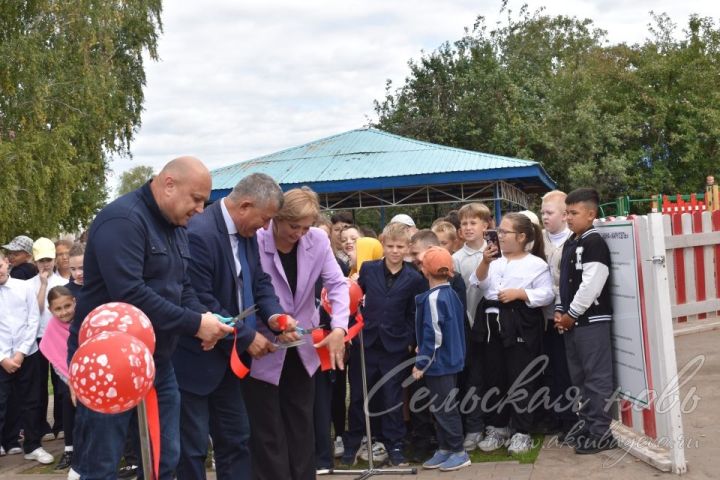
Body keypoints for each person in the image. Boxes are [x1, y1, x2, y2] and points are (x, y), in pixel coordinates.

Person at [67, 156, 234, 479]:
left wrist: (206, 318)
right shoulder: (122, 221)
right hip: (108, 363)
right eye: (196, 199)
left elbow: (182, 287)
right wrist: (195, 324)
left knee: (164, 457)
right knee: (101, 463)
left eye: (204, 201)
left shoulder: (176, 226)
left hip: (157, 360)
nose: (200, 209)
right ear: (169, 184)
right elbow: (129, 294)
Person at [172, 172, 293, 480]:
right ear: (245, 206)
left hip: (229, 361)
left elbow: (260, 282)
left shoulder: (246, 235)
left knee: (237, 439)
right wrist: (247, 336)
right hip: (195, 361)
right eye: (264, 219)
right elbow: (199, 298)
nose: (266, 227)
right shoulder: (199, 232)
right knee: (193, 448)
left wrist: (275, 317)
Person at [246, 186, 349, 480]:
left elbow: (338, 285)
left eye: (306, 227)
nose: (300, 234)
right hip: (263, 348)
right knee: (268, 435)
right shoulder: (254, 239)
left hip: (302, 350)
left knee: (302, 430)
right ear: (276, 217)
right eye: (294, 226)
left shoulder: (317, 240)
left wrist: (340, 326)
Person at [341, 222, 425, 467]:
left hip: (395, 345)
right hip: (365, 343)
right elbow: (356, 301)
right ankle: (353, 442)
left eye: (400, 246)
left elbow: (414, 313)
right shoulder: (368, 269)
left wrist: (409, 339)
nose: (395, 251)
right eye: (390, 246)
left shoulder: (414, 277)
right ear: (383, 245)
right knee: (358, 395)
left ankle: (395, 445)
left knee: (391, 397)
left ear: (407, 247)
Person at [470, 212, 554, 454]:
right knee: (494, 375)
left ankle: (521, 431)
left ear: (521, 236)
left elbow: (547, 294)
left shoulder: (535, 263)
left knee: (521, 376)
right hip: (491, 323)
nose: (501, 236)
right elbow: (477, 282)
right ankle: (497, 427)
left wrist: (522, 294)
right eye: (499, 231)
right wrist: (485, 262)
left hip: (520, 321)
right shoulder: (494, 261)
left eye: (505, 232)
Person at [554, 188, 617, 454]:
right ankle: (589, 425)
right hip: (572, 322)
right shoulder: (571, 242)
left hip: (591, 322)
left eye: (574, 213)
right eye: (566, 212)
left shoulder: (594, 243)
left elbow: (592, 285)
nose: (568, 218)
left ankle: (602, 433)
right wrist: (560, 310)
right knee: (579, 378)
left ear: (591, 214)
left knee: (596, 378)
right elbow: (563, 281)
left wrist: (571, 314)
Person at [406, 230, 467, 461]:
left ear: (424, 269)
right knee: (441, 408)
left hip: (440, 363)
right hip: (448, 360)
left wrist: (421, 363)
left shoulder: (433, 297)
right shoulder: (450, 293)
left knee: (444, 409)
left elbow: (435, 336)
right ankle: (445, 448)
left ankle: (457, 450)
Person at [0, 252, 53, 465]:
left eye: (0, 264)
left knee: (32, 401)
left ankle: (33, 445)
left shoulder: (24, 288)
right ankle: (6, 441)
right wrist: (3, 357)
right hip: (1, 357)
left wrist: (21, 352)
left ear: (6, 263)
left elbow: (33, 320)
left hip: (27, 353)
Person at [452, 202, 491, 451]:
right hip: (467, 326)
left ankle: (497, 424)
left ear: (486, 226)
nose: (467, 227)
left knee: (494, 375)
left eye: (473, 222)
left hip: (493, 324)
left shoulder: (498, 251)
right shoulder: (455, 258)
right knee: (473, 379)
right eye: (464, 223)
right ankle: (474, 427)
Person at [537, 191, 576, 436]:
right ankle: (553, 415)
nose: (544, 217)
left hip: (566, 317)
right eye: (542, 212)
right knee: (548, 369)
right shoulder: (538, 241)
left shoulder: (574, 240)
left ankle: (569, 419)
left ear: (564, 215)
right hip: (542, 316)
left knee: (566, 370)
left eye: (549, 213)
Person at [29, 237, 66, 440]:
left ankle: (60, 422)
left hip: (58, 338)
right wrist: (43, 285)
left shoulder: (63, 283)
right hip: (38, 338)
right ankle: (42, 425)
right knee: (39, 385)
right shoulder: (28, 285)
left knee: (60, 383)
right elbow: (37, 310)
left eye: (48, 259)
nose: (45, 263)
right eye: (41, 260)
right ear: (35, 261)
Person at [39, 286, 77, 471]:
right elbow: (55, 356)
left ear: (74, 302)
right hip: (65, 378)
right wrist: (70, 381)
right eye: (58, 309)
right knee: (68, 406)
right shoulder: (52, 327)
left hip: (89, 376)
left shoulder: (83, 320)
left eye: (67, 306)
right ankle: (69, 449)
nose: (64, 312)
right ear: (50, 310)